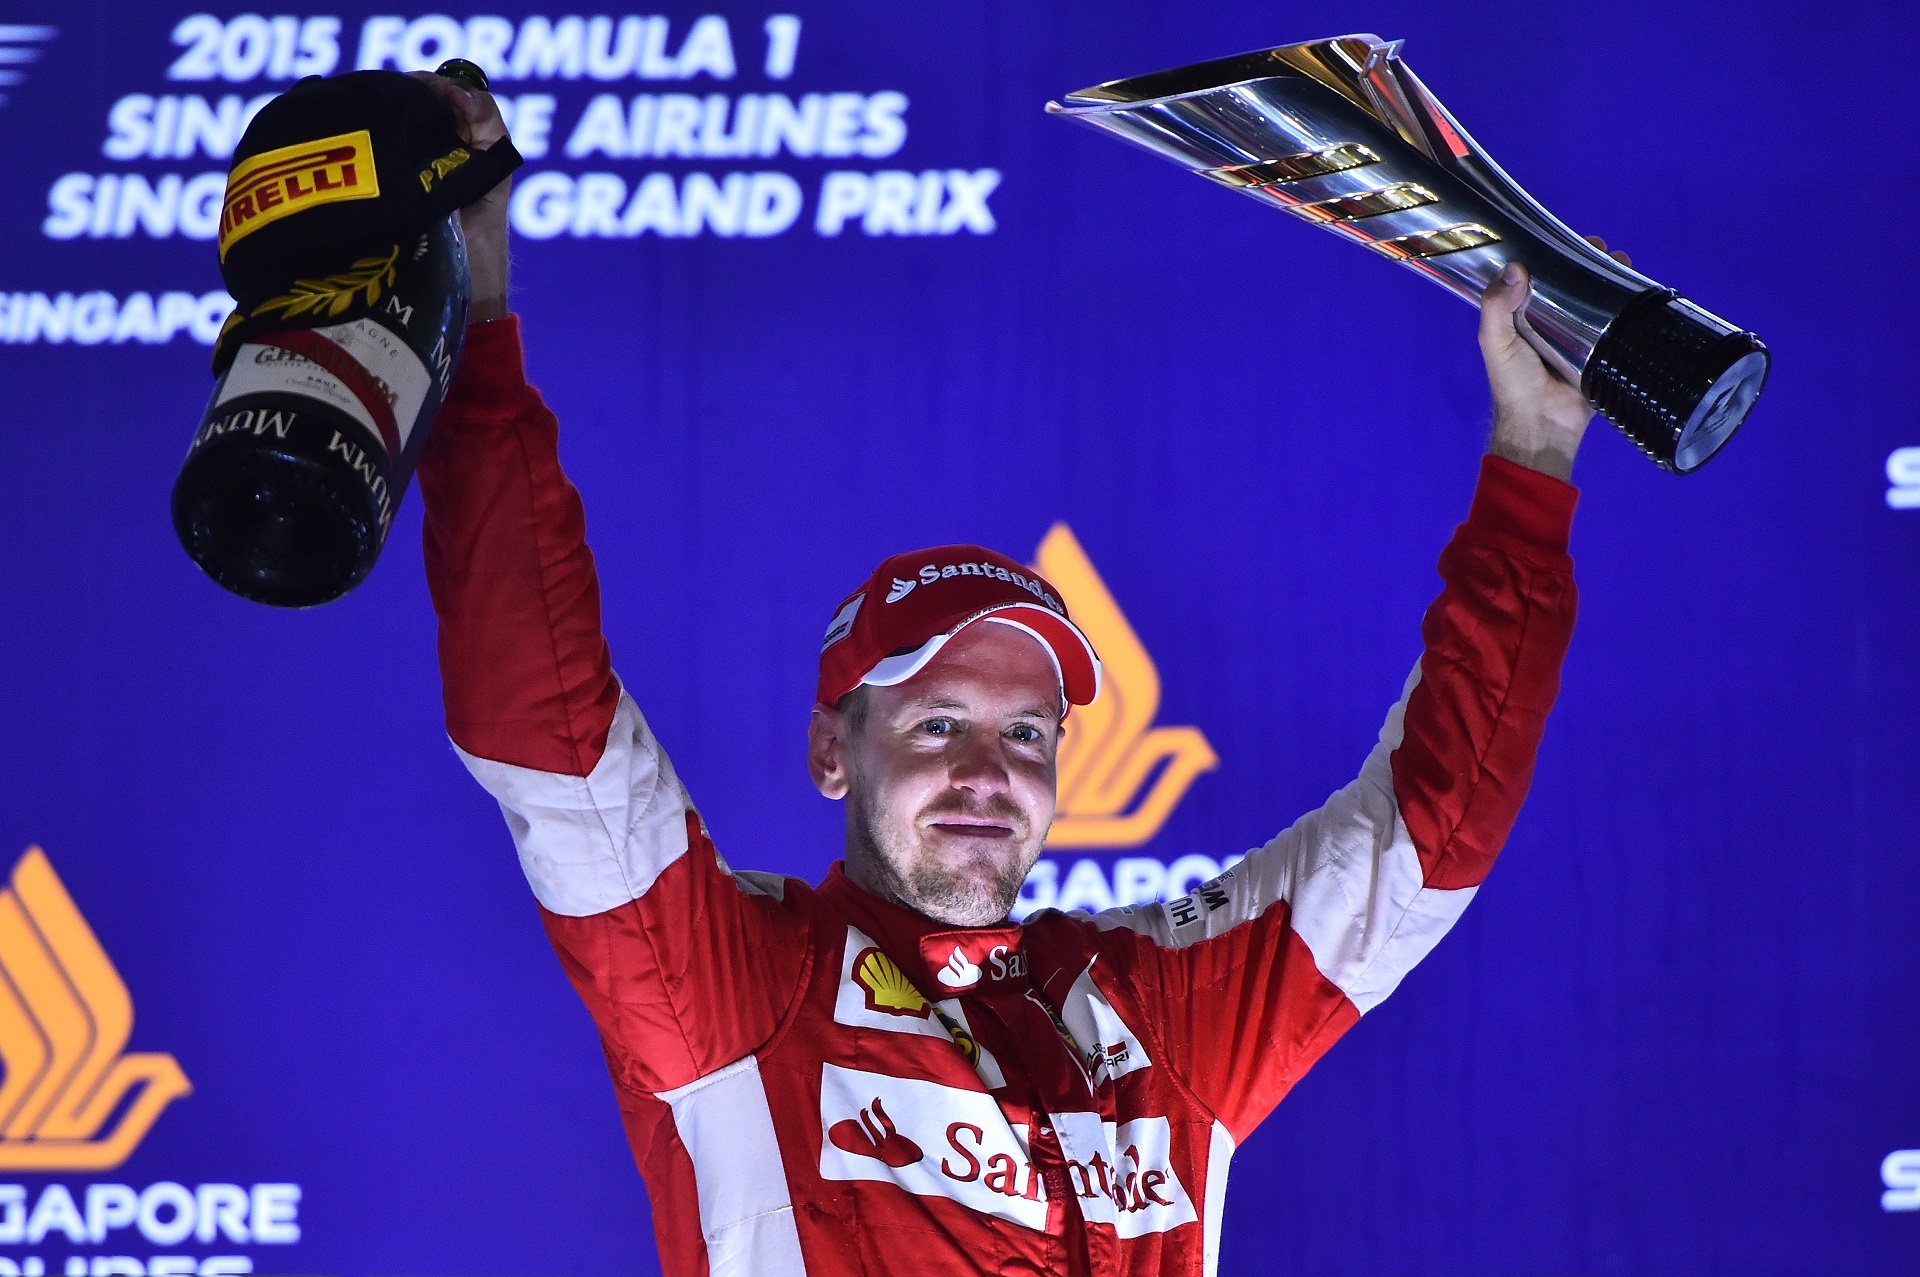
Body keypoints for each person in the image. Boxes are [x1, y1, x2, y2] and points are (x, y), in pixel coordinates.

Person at [415, 75, 1597, 1277]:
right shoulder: (741, 991)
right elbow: (542, 725)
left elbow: (1431, 833)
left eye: (1026, 731)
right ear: (832, 750)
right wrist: (481, 311)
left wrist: (1535, 454)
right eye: (937, 723)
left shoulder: (1155, 1012)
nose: (987, 772)